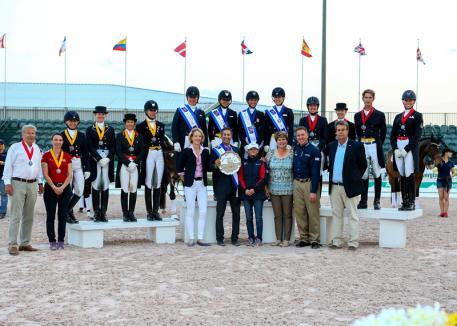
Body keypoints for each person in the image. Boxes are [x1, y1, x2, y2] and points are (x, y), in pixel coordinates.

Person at [2, 125, 44, 256]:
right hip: (17, 183)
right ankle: (13, 244)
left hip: (32, 184)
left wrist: (41, 182)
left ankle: (25, 243)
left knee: (29, 215)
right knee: (16, 215)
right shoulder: (15, 148)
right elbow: (8, 166)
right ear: (22, 135)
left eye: (33, 133)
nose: (31, 135)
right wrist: (7, 183)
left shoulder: (37, 148)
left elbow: (38, 166)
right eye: (28, 133)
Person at [327, 121, 367, 250]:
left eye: (343, 129)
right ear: (335, 132)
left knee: (353, 216)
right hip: (335, 187)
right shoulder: (332, 146)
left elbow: (363, 165)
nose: (340, 132)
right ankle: (337, 241)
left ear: (347, 131)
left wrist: (354, 178)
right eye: (338, 130)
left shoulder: (356, 146)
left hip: (350, 187)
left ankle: (353, 242)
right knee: (336, 215)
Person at [390, 90, 423, 211]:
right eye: (406, 100)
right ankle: (404, 201)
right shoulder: (398, 117)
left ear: (414, 101)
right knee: (402, 174)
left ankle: (411, 201)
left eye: (410, 100)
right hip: (398, 144)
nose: (408, 102)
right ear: (403, 101)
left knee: (409, 174)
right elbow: (392, 135)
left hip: (409, 145)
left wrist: (407, 149)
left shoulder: (418, 116)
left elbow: (417, 136)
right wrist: (395, 148)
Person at [353, 90, 387, 210]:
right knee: (364, 173)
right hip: (363, 144)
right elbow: (357, 131)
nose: (368, 99)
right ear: (363, 98)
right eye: (366, 97)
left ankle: (377, 200)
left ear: (373, 99)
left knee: (377, 172)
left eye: (370, 97)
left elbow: (383, 132)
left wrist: (378, 143)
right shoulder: (357, 115)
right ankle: (363, 200)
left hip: (374, 144)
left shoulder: (379, 114)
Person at [177, 128, 210, 247]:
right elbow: (179, 167)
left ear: (202, 138)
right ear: (191, 138)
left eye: (199, 136)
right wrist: (183, 179)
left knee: (203, 211)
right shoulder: (186, 151)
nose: (197, 138)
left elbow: (209, 167)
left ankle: (200, 237)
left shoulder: (205, 151)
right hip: (190, 184)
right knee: (190, 211)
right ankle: (191, 238)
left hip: (202, 184)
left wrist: (217, 163)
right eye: (195, 136)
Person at [209, 127, 241, 246]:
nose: (227, 136)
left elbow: (240, 168)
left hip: (234, 186)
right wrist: (215, 164)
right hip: (221, 186)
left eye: (229, 135)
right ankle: (220, 238)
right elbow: (209, 166)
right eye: (225, 135)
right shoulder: (215, 150)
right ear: (221, 136)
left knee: (236, 213)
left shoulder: (237, 150)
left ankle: (235, 238)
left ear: (231, 136)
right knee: (220, 213)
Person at [42, 133, 73, 250]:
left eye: (60, 140)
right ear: (52, 141)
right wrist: (54, 187)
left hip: (65, 189)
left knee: (62, 215)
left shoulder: (67, 156)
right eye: (55, 140)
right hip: (50, 189)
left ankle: (61, 240)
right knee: (50, 216)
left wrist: (62, 187)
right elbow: (45, 174)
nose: (58, 142)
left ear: (62, 142)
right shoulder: (46, 155)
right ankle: (52, 241)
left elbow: (70, 175)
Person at [136, 100, 166, 221]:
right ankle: (149, 211)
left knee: (158, 182)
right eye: (150, 110)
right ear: (146, 111)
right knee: (148, 182)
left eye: (154, 110)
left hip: (159, 153)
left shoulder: (161, 126)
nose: (153, 112)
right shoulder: (140, 126)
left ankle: (156, 211)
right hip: (148, 153)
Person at [292, 127, 321, 249]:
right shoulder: (295, 149)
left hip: (310, 183)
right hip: (297, 183)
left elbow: (315, 173)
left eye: (302, 135)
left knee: (312, 212)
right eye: (298, 135)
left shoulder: (314, 150)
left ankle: (314, 239)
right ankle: (304, 238)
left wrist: (313, 191)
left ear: (307, 135)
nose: (300, 137)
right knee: (300, 212)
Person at [86, 106, 116, 222]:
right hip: (95, 159)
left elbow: (113, 145)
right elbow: (89, 146)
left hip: (107, 160)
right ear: (95, 115)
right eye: (98, 114)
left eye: (102, 114)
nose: (100, 116)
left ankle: (104, 212)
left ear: (105, 115)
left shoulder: (110, 129)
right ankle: (96, 212)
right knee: (96, 184)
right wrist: (98, 158)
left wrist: (108, 158)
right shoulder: (90, 129)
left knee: (105, 185)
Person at [61, 111, 90, 224]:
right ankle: (69, 213)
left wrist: (87, 168)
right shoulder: (62, 135)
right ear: (66, 121)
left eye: (75, 121)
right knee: (67, 191)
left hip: (78, 165)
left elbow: (86, 153)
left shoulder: (82, 135)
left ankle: (66, 210)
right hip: (66, 166)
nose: (73, 123)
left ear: (77, 122)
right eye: (70, 121)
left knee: (79, 190)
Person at [266, 131, 294, 247]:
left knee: (287, 214)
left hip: (288, 189)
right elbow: (266, 170)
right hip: (274, 189)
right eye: (279, 140)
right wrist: (266, 187)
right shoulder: (271, 153)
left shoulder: (292, 153)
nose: (282, 141)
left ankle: (286, 239)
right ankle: (278, 239)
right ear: (276, 141)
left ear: (286, 140)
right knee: (277, 215)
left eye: (283, 139)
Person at [116, 113, 144, 222]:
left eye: (132, 122)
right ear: (125, 123)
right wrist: (128, 162)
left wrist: (135, 162)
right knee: (124, 188)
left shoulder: (139, 136)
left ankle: (131, 212)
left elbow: (142, 151)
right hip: (124, 164)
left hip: (135, 165)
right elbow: (118, 151)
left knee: (133, 188)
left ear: (134, 123)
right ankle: (125, 213)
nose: (130, 124)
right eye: (128, 122)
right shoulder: (120, 135)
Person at [238, 142, 267, 246]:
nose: (253, 151)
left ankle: (259, 237)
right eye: (251, 149)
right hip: (246, 194)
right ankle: (250, 237)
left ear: (258, 151)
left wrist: (254, 189)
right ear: (248, 151)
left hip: (258, 194)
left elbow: (263, 178)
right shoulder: (243, 163)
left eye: (255, 149)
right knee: (249, 217)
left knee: (258, 217)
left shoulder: (261, 163)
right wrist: (245, 189)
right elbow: (240, 178)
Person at [172, 86, 208, 154]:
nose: (192, 99)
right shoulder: (180, 110)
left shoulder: (201, 112)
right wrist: (176, 141)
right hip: (184, 141)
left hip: (197, 141)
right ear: (187, 98)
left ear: (197, 98)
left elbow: (204, 130)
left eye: (194, 97)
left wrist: (205, 145)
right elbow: (174, 127)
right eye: (190, 97)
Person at [298, 96, 328, 174]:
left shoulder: (323, 120)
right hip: (306, 148)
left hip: (319, 148)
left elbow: (325, 137)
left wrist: (318, 148)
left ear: (317, 106)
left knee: (319, 170)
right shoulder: (303, 120)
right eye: (311, 105)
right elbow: (300, 135)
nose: (312, 107)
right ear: (308, 107)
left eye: (314, 105)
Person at [264, 87, 295, 152]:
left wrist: (289, 143)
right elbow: (266, 129)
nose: (277, 99)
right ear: (273, 98)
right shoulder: (268, 112)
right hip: (273, 138)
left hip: (284, 139)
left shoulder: (289, 111)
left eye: (279, 97)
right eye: (275, 97)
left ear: (283, 98)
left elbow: (291, 129)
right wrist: (266, 143)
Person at [238, 91, 266, 158]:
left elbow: (262, 131)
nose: (253, 102)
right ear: (247, 101)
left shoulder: (261, 114)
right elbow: (240, 131)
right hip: (246, 144)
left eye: (255, 100)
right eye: (251, 100)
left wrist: (258, 144)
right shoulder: (241, 114)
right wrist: (245, 145)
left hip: (258, 145)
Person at [437, 148, 454, 218]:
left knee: (446, 197)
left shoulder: (451, 163)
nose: (451, 154)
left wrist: (451, 176)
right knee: (441, 197)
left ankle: (445, 212)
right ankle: (441, 212)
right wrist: (429, 165)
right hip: (440, 180)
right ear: (446, 153)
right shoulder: (439, 160)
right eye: (451, 153)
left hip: (447, 181)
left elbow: (454, 172)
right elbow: (432, 166)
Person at [0, 139, 8, 219]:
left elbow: (11, 164)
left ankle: (2, 211)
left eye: (2, 144)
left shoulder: (7, 154)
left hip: (3, 177)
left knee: (3, 195)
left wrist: (4, 163)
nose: (1, 146)